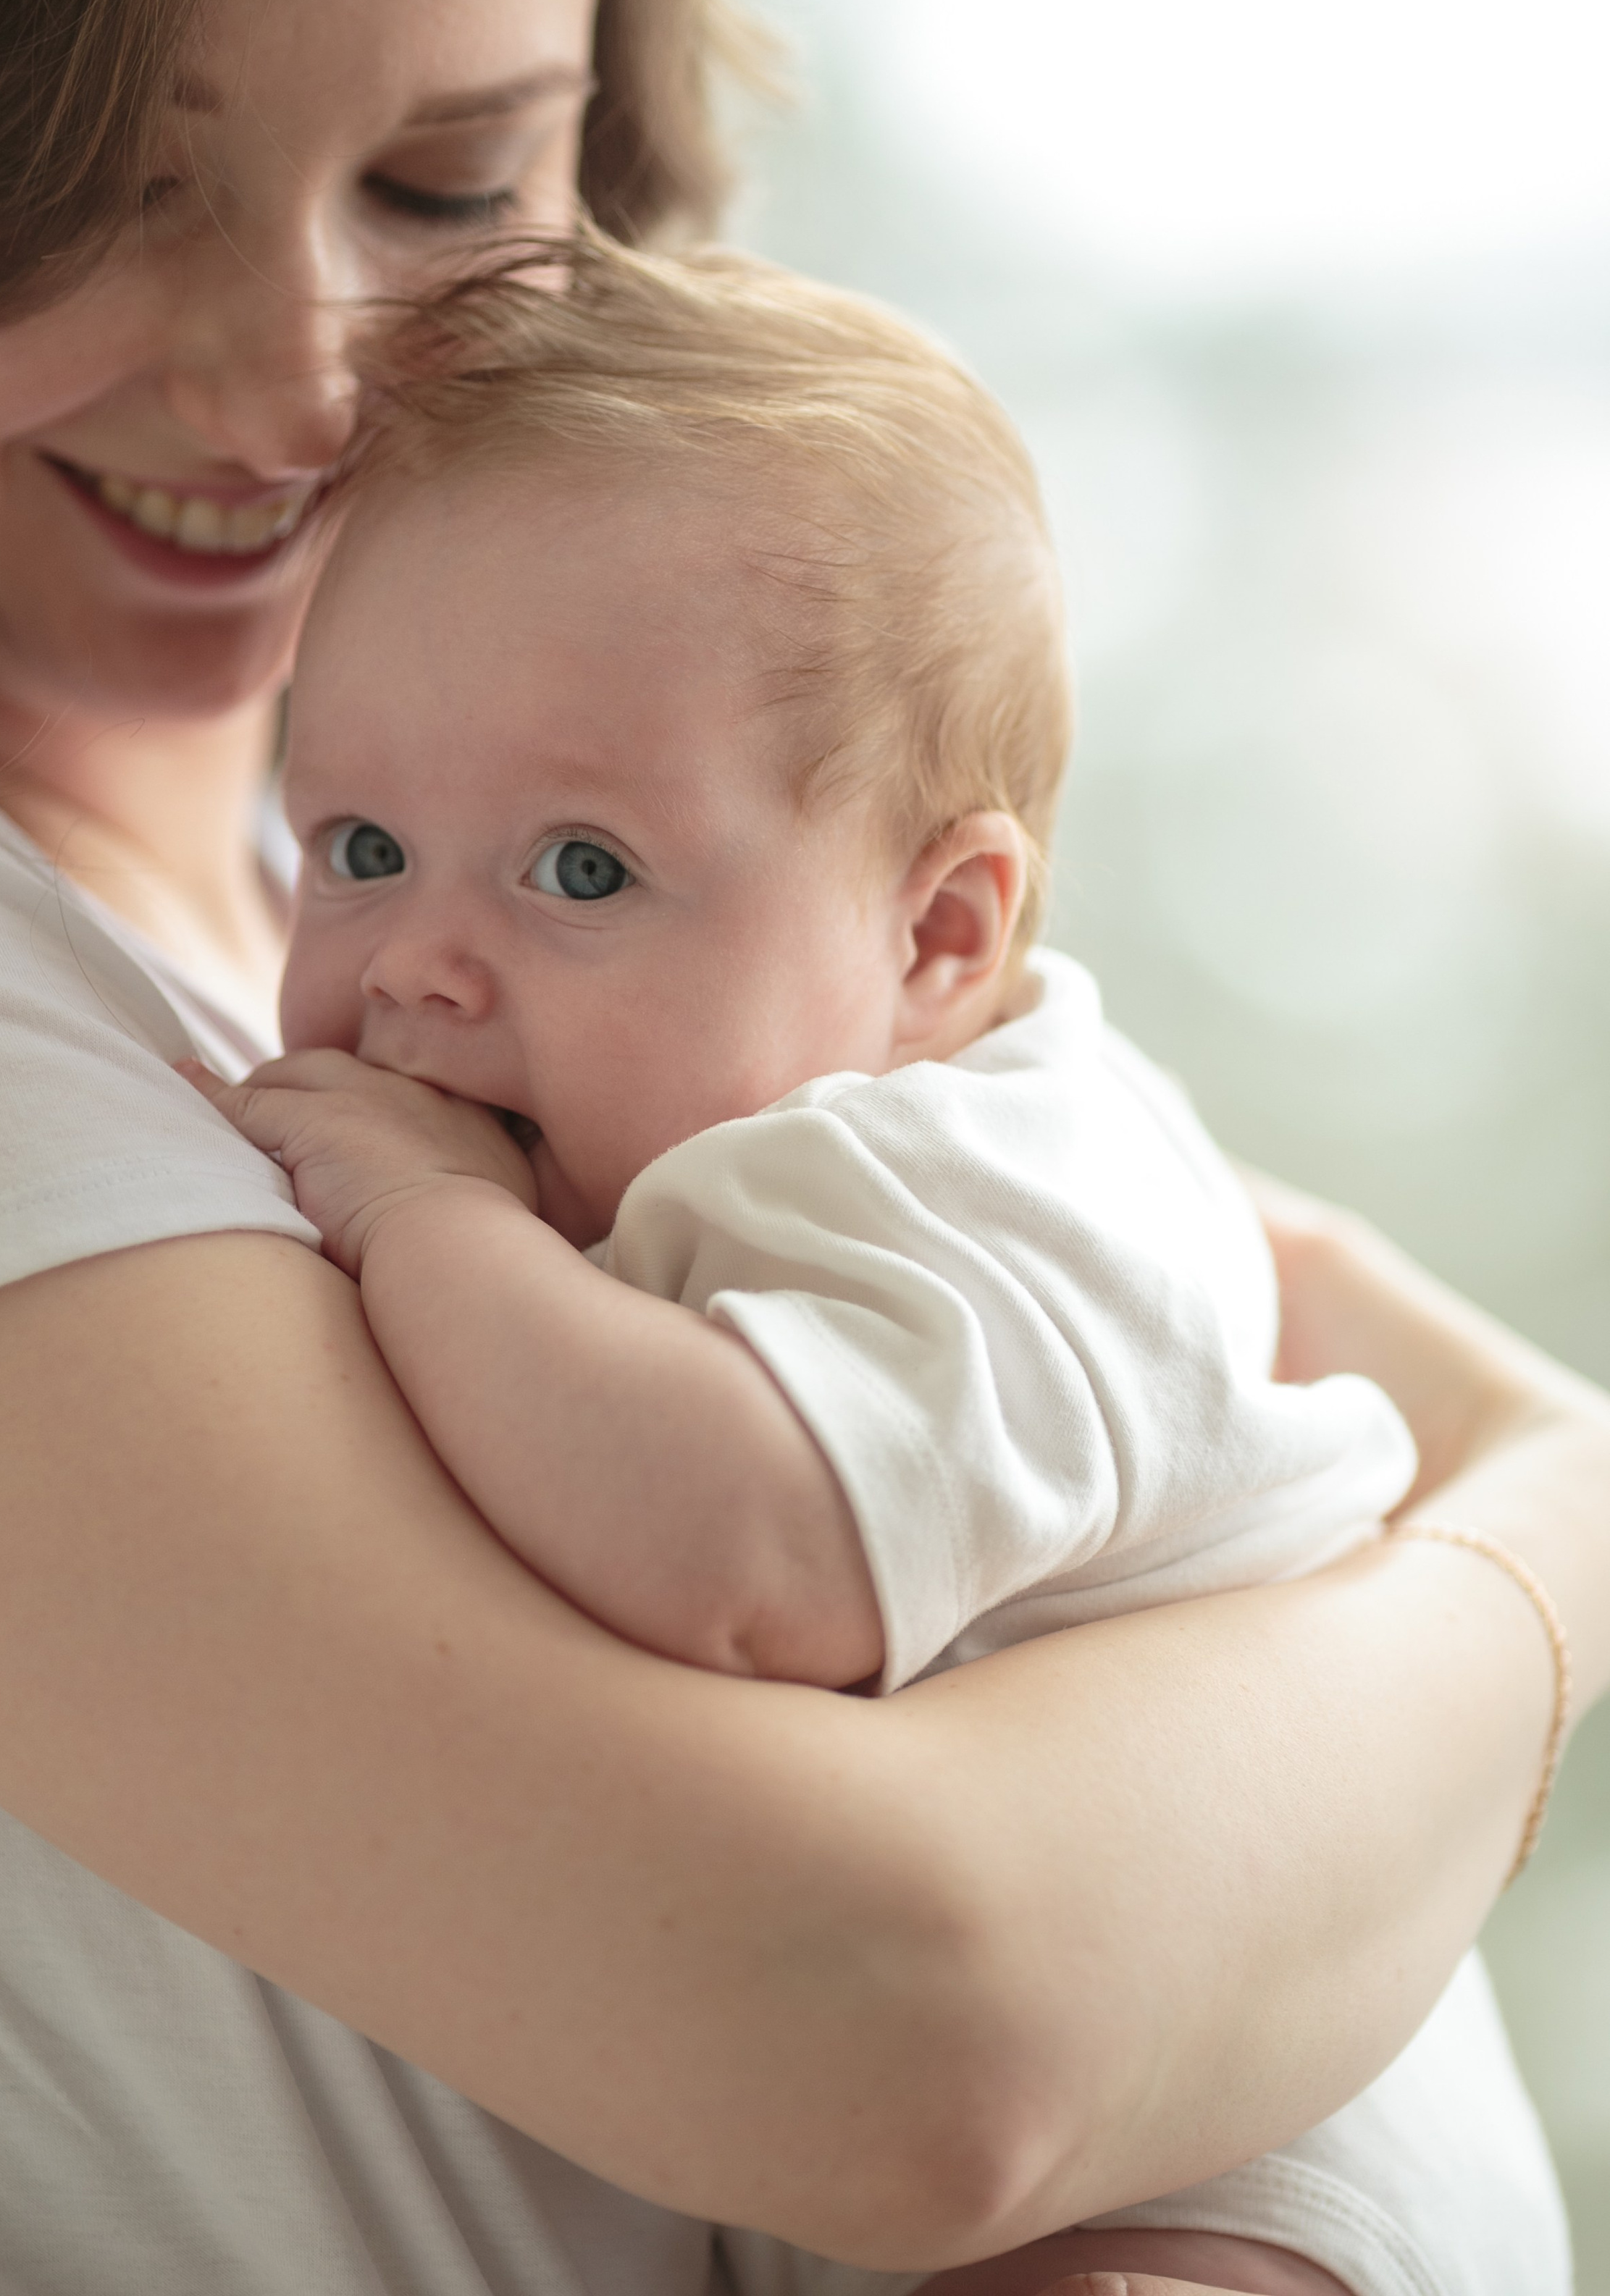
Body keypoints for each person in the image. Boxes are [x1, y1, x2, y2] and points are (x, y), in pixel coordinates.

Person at [0, 0, 1605, 2295]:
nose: (292, 377)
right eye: (98, 181)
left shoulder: (369, 879)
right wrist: (1542, 1554)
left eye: (446, 177)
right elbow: (911, 2034)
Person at [191, 236, 1566, 2296]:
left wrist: (430, 1223)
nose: (420, 967)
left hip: (1228, 2177)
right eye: (360, 849)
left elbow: (748, 1557)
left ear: (936, 938)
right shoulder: (800, 1125)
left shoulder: (956, 1184)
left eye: (582, 870)